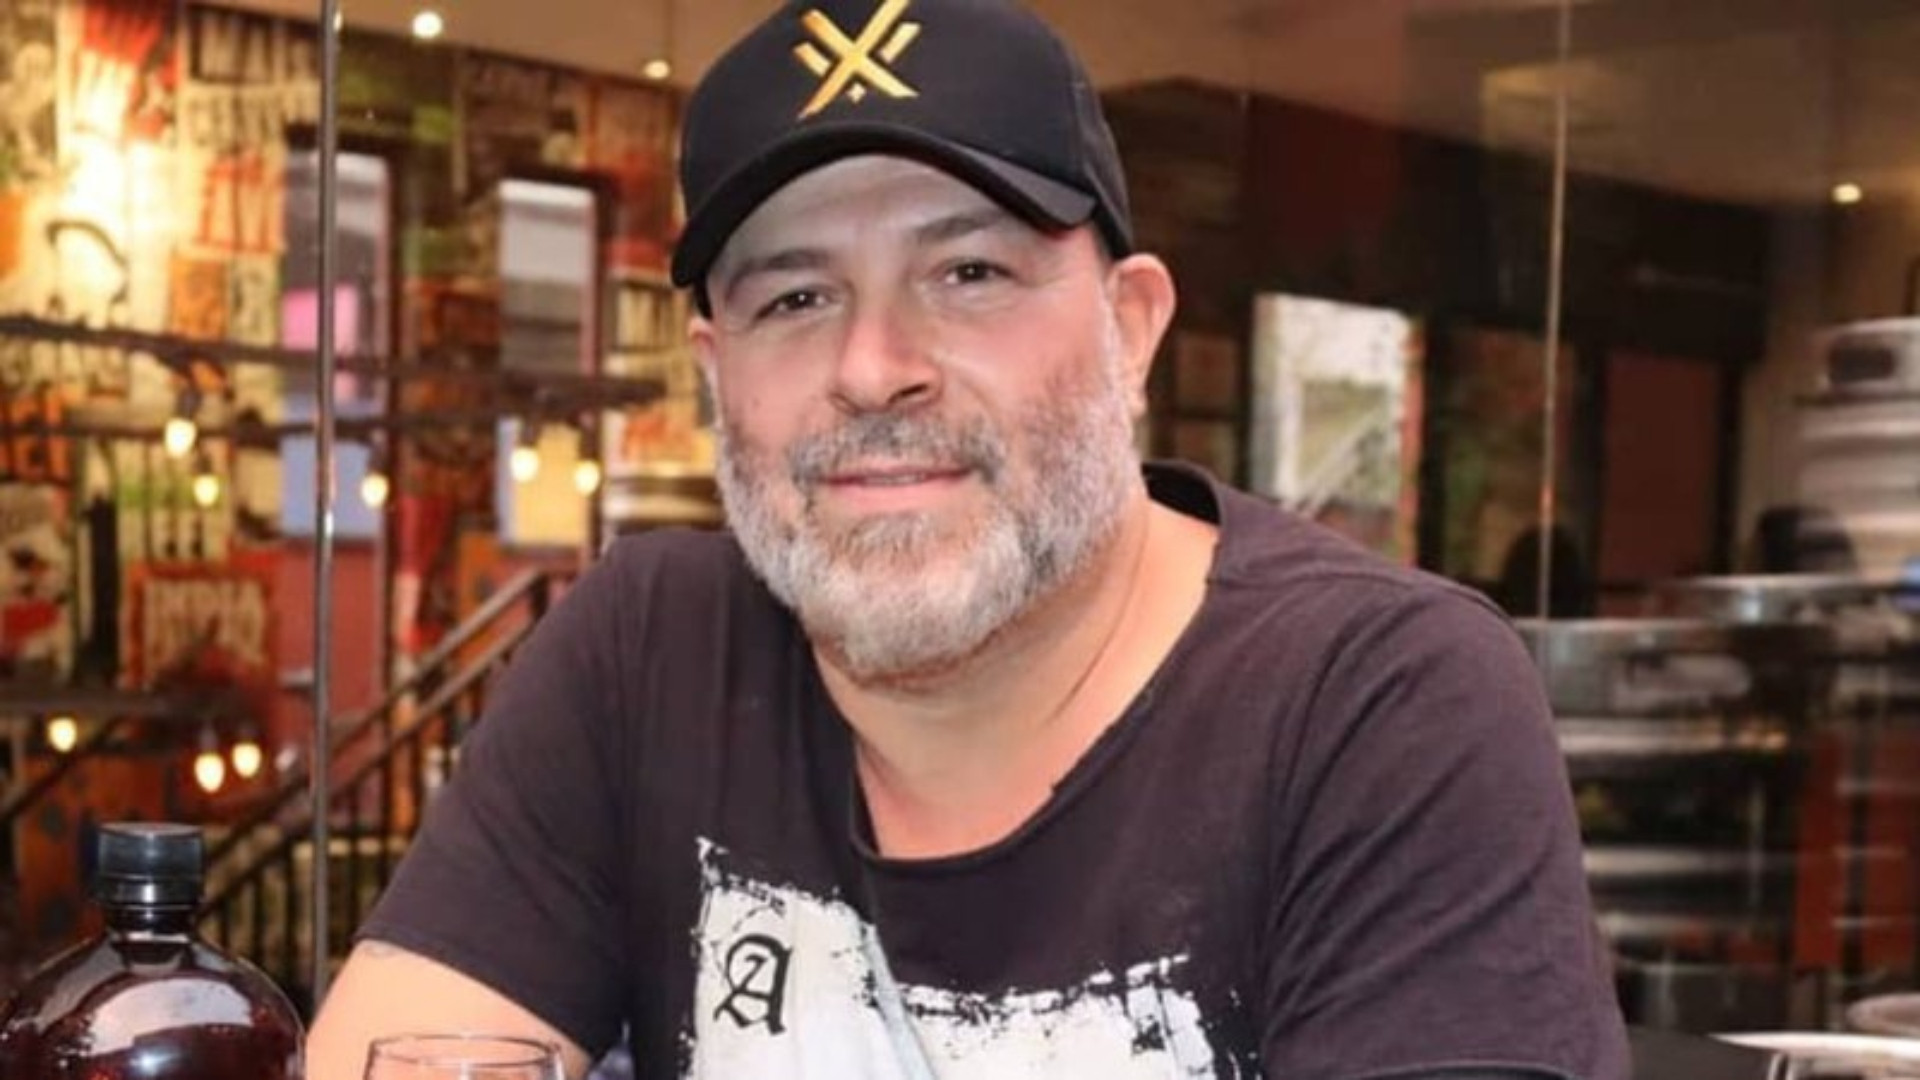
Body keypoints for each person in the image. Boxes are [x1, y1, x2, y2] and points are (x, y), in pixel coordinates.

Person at [308, 1, 1630, 1076]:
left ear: (1130, 330)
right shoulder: (651, 647)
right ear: (716, 373)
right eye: (797, 297)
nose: (874, 368)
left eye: (970, 273)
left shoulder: (1375, 700)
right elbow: (397, 1056)